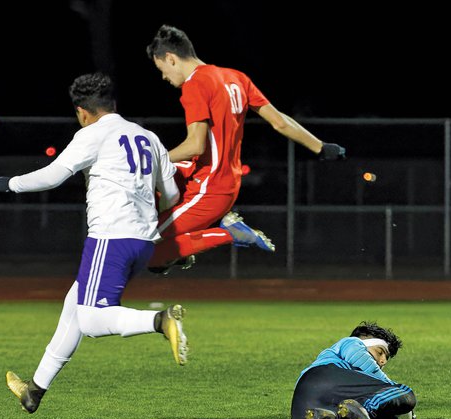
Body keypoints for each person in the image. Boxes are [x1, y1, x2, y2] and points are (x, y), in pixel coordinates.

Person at [0, 72, 189, 414]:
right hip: (142, 242)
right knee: (74, 308)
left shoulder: (92, 134)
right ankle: (34, 391)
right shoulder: (148, 137)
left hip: (110, 236)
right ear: (114, 104)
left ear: (82, 111)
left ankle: (161, 320)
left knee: (92, 319)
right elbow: (171, 196)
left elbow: (53, 175)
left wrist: (7, 184)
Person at [145, 24, 347, 273]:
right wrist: (321, 147)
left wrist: (151, 159)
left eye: (161, 69)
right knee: (149, 184)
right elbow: (279, 121)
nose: (164, 77)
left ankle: (223, 233)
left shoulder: (195, 84)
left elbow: (194, 145)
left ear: (170, 58)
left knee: (143, 243)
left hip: (209, 189)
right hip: (222, 181)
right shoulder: (235, 77)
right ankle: (187, 245)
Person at [290, 321, 416, 419]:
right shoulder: (351, 342)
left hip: (303, 414)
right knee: (404, 393)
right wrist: (391, 388)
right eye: (380, 352)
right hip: (326, 376)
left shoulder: (353, 381)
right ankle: (361, 407)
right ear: (364, 340)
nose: (383, 361)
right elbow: (359, 358)